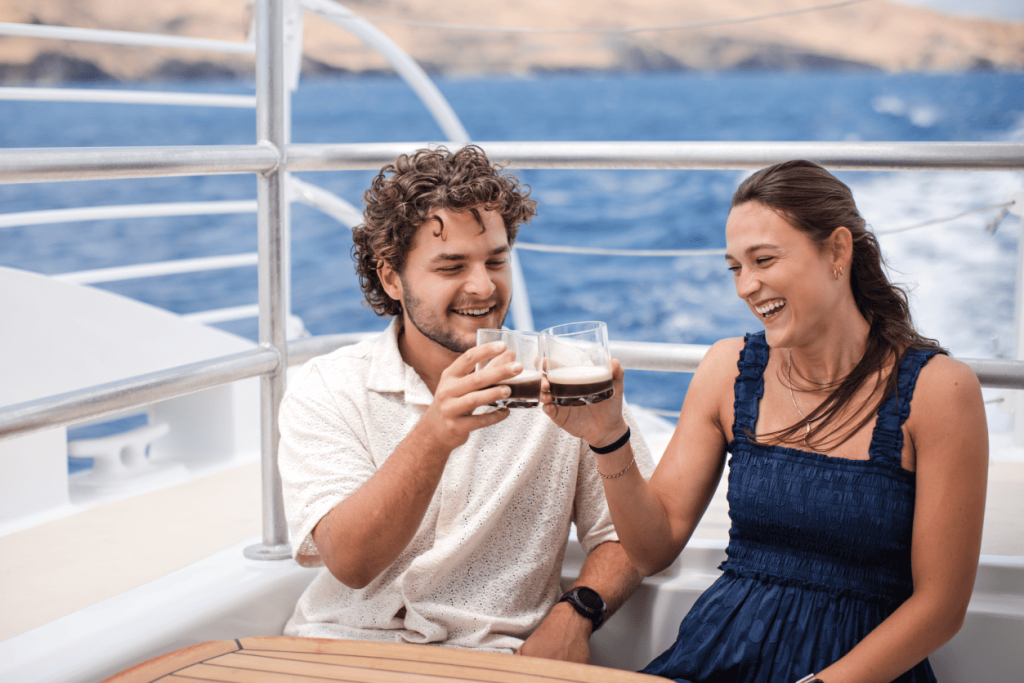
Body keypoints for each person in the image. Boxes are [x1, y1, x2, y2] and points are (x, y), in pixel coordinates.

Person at [544, 160, 988, 682]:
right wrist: (606, 436)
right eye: (735, 267)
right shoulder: (726, 370)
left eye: (764, 260)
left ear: (838, 251)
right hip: (720, 656)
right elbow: (651, 548)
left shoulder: (940, 392)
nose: (746, 286)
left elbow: (941, 606)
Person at [276, 145, 654, 662]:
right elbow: (350, 562)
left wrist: (577, 615)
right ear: (391, 277)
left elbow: (627, 536)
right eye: (451, 265)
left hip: (492, 660)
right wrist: (435, 435)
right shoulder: (330, 386)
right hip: (339, 650)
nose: (483, 286)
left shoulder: (566, 375)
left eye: (496, 260)